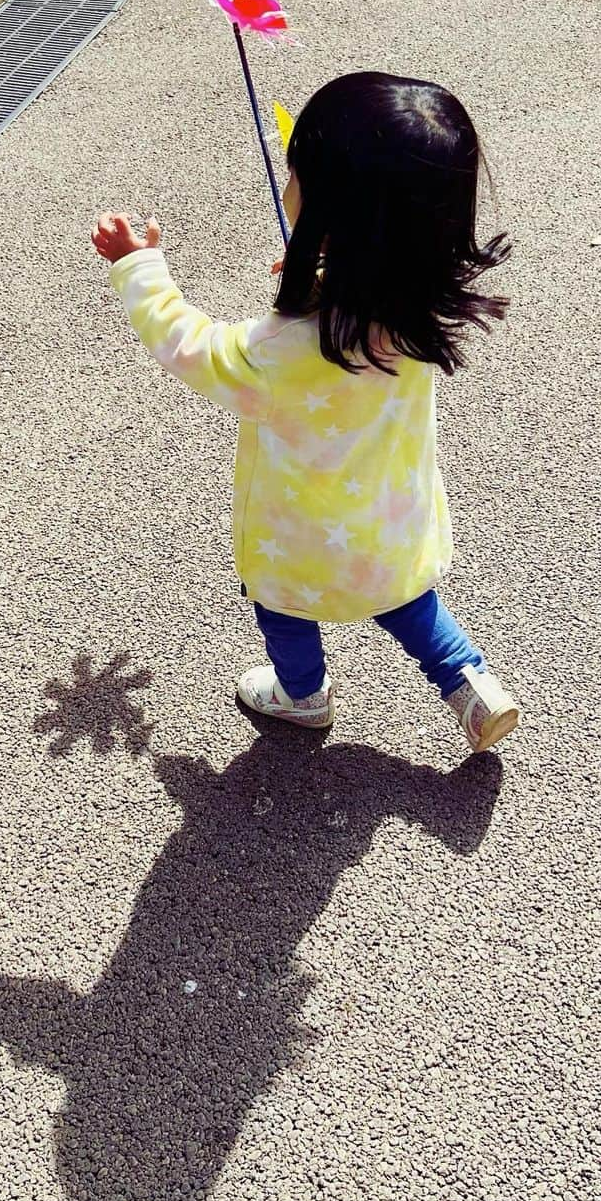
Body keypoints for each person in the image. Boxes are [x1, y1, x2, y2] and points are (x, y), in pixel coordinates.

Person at [92, 71, 520, 752]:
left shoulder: (286, 348)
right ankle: (470, 682)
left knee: (283, 610)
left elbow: (194, 348)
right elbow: (367, 264)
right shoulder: (413, 304)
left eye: (297, 175)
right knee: (409, 603)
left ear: (331, 210)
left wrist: (141, 270)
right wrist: (324, 268)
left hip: (300, 536)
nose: (288, 184)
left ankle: (302, 696)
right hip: (387, 519)